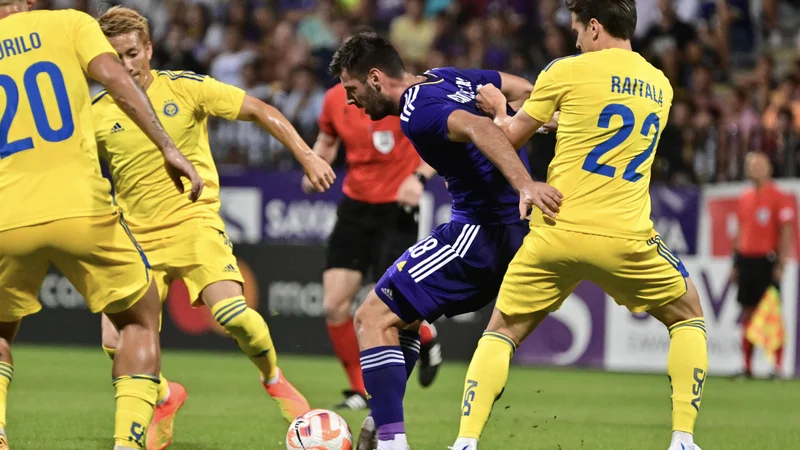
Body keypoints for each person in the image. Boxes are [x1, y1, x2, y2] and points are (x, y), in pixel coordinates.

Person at [451, 1, 707, 449]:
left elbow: (508, 138)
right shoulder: (660, 85)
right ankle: (683, 439)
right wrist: (556, 123)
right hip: (627, 237)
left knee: (501, 331)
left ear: (594, 26)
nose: (574, 39)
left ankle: (466, 442)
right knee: (688, 315)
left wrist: (496, 110)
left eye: (576, 29)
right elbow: (603, 126)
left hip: (557, 229)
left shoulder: (566, 71)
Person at [92, 7, 335, 449]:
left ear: (148, 49)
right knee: (113, 341)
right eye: (115, 57)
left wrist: (308, 155)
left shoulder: (185, 88)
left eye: (132, 53)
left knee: (233, 315)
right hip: (136, 239)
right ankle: (165, 396)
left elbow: (260, 110)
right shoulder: (94, 113)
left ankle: (274, 379)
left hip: (194, 222)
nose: (126, 65)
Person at [328, 33, 563, 450]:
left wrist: (525, 183)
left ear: (377, 79)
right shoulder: (447, 78)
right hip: (506, 232)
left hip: (479, 234)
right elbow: (527, 90)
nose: (350, 101)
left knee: (368, 318)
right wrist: (525, 116)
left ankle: (390, 442)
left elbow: (476, 128)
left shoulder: (417, 110)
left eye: (352, 89)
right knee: (401, 321)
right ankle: (379, 424)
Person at [0, 2, 204, 450]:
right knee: (137, 321)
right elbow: (115, 79)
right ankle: (127, 444)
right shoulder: (71, 23)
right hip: (81, 206)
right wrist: (168, 147)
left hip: (6, 214)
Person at [304, 32, 442, 410]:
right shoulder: (336, 100)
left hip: (397, 209)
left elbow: (442, 140)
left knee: (390, 306)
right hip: (355, 206)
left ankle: (425, 337)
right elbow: (327, 141)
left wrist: (418, 179)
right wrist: (313, 164)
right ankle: (359, 390)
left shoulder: (405, 96)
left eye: (352, 82)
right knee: (334, 303)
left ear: (372, 76)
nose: (349, 93)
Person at [732, 151, 794, 378]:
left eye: (758, 165)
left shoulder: (779, 196)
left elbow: (786, 231)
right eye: (750, 165)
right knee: (747, 312)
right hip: (746, 260)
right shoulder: (744, 197)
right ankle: (747, 366)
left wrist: (781, 262)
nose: (753, 169)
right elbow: (739, 232)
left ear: (769, 168)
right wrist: (735, 262)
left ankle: (777, 367)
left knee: (771, 314)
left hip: (767, 260)